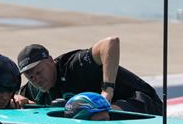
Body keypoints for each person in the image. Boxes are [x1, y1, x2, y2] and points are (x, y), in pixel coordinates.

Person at [16, 37, 163, 115]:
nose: (36, 79)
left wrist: (107, 92)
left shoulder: (73, 65)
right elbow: (15, 97)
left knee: (96, 112)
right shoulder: (36, 87)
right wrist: (16, 98)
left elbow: (110, 43)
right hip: (104, 117)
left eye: (39, 72)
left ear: (50, 61)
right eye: (31, 77)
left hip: (143, 102)